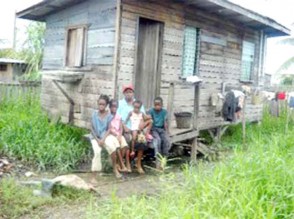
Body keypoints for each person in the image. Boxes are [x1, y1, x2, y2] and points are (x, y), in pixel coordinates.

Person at [91, 95, 122, 179]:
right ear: (98, 104)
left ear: (106, 105)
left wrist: (103, 139)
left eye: (103, 104)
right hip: (95, 137)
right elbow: (92, 129)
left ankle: (114, 168)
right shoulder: (94, 114)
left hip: (105, 136)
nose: (101, 106)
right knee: (97, 152)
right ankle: (94, 174)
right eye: (100, 104)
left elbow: (108, 129)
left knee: (112, 147)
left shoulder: (109, 115)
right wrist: (98, 140)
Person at [125, 100, 151, 174]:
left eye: (138, 108)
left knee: (142, 140)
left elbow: (146, 118)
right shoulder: (130, 112)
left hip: (139, 128)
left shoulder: (141, 113)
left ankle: (138, 162)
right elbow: (125, 121)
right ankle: (132, 152)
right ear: (133, 106)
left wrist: (148, 118)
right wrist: (126, 127)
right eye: (135, 107)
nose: (136, 109)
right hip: (132, 128)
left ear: (140, 108)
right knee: (133, 138)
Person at [109, 99, 132, 173]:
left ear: (117, 107)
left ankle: (119, 163)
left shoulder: (118, 116)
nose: (114, 108)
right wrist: (116, 135)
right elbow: (109, 128)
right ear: (109, 107)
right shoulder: (108, 116)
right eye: (112, 107)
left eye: (115, 107)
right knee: (117, 146)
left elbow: (121, 127)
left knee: (124, 145)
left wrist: (119, 135)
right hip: (111, 135)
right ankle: (119, 164)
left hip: (118, 134)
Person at [148, 97, 171, 169]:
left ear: (162, 105)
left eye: (159, 104)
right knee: (158, 140)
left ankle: (164, 159)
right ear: (154, 105)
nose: (157, 106)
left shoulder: (164, 112)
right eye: (155, 104)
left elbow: (165, 122)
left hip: (161, 129)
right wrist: (148, 132)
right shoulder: (151, 111)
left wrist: (167, 132)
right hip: (154, 129)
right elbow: (149, 121)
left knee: (166, 140)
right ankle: (158, 160)